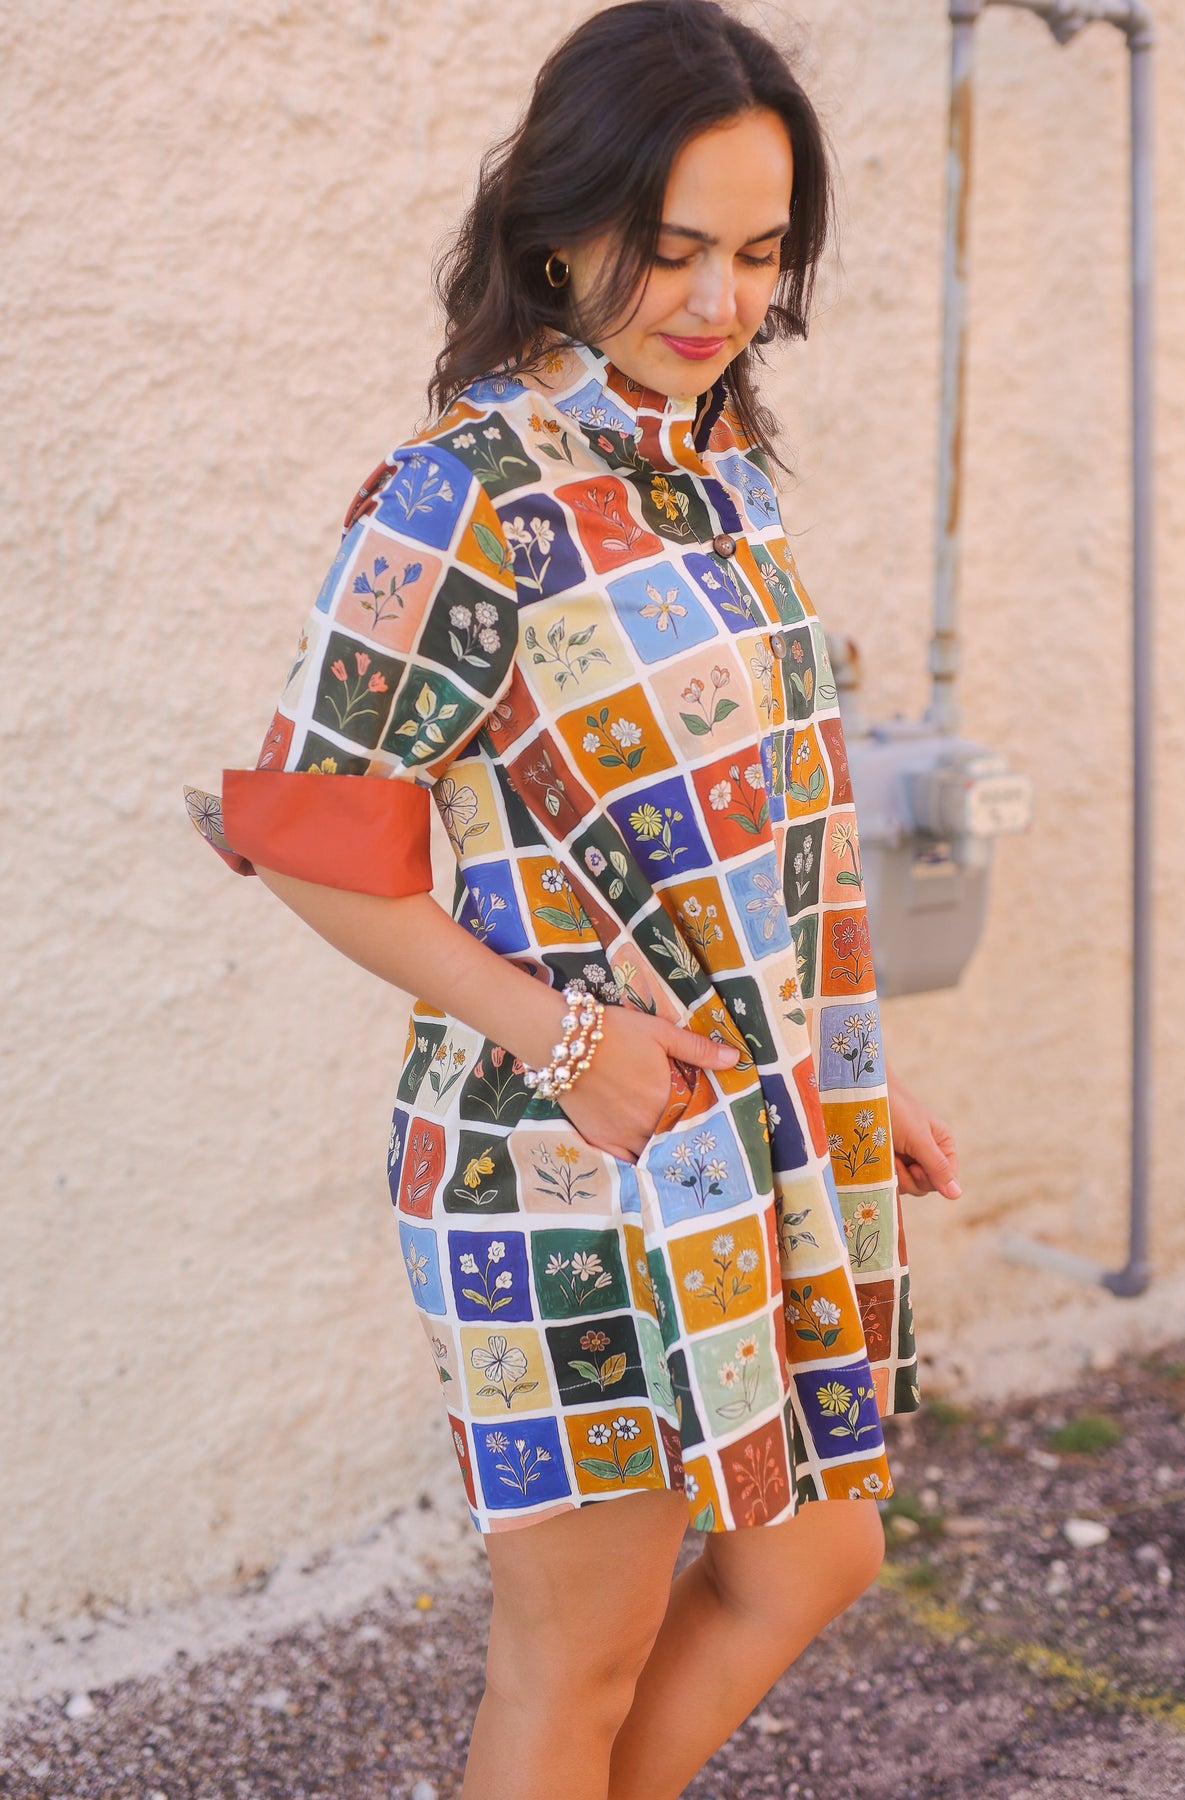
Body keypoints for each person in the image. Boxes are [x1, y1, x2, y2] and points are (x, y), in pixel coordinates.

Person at [186, 3, 960, 1794]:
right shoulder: (460, 499)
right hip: (557, 1153)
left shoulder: (723, 481)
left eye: (759, 255)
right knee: (578, 1658)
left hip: (749, 1126)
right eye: (668, 246)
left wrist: (846, 1076)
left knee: (811, 1546)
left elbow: (761, 849)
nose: (715, 299)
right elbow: (310, 835)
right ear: (558, 228)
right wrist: (571, 1041)